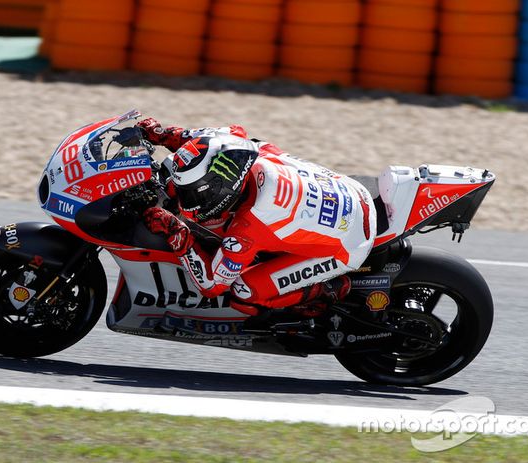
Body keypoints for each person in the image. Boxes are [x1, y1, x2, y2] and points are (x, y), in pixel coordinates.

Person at [138, 118, 377, 316]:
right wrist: (165, 135)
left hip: (348, 245)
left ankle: (325, 291)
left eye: (190, 194)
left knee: (244, 292)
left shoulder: (248, 229)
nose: (184, 201)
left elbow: (211, 285)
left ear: (221, 189)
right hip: (354, 192)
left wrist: (176, 232)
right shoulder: (243, 148)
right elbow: (214, 137)